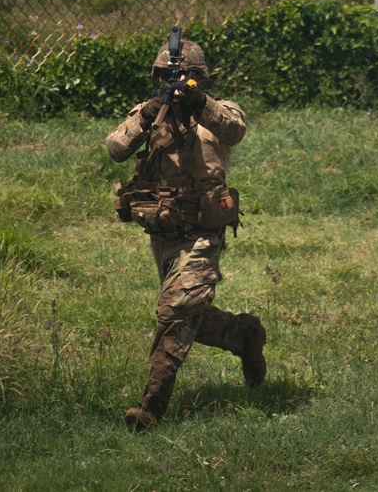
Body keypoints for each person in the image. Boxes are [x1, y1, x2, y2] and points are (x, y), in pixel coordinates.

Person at [107, 34, 267, 431]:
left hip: (202, 233)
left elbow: (234, 130)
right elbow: (115, 147)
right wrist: (150, 112)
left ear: (202, 78)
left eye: (187, 77)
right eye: (168, 76)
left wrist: (198, 102)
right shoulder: (150, 113)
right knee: (190, 315)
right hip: (163, 233)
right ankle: (244, 336)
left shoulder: (219, 112)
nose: (177, 83)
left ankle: (150, 407)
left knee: (175, 311)